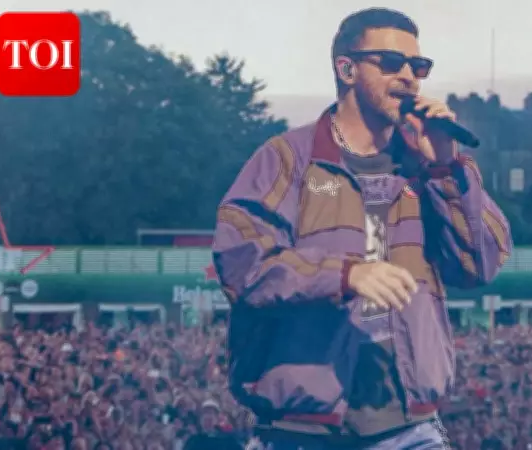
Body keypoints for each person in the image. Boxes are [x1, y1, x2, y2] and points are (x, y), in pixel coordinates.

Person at [212, 7, 512, 449]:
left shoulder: (423, 166)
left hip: (410, 428)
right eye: (391, 62)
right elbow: (244, 264)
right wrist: (345, 274)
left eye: (418, 66)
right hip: (302, 429)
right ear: (346, 69)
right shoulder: (288, 158)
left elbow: (481, 264)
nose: (408, 76)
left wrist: (446, 168)